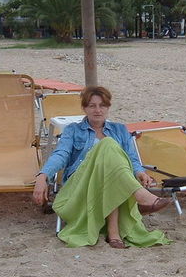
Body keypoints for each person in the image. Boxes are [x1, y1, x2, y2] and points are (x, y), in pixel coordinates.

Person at [33, 86, 171, 249]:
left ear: (108, 107)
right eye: (92, 106)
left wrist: (140, 172)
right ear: (84, 108)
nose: (97, 110)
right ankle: (139, 196)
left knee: (110, 169)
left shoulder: (120, 129)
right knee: (108, 144)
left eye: (102, 105)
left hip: (110, 182)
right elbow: (61, 154)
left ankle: (114, 233)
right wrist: (43, 175)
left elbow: (132, 158)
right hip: (81, 186)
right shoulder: (73, 130)